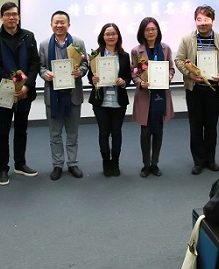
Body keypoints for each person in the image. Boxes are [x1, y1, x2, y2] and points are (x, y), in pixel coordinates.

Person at [175, 5, 219, 175]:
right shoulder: (187, 39)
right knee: (195, 126)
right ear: (195, 21)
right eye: (199, 19)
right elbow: (179, 60)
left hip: (214, 89)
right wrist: (190, 74)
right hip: (194, 89)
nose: (203, 23)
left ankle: (210, 159)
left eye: (206, 19)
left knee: (211, 126)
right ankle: (198, 161)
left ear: (212, 21)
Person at [0, 2, 40, 186]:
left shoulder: (28, 36)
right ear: (1, 17)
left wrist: (26, 86)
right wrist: (13, 86)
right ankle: (2, 168)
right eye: (8, 14)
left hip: (25, 92)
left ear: (19, 17)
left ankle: (20, 163)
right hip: (4, 91)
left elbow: (34, 63)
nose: (12, 17)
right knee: (2, 132)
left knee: (21, 129)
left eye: (14, 14)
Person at [39, 10, 88, 180]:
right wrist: (45, 74)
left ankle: (72, 163)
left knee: (72, 133)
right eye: (56, 22)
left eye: (62, 22)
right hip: (53, 95)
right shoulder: (44, 44)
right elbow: (41, 67)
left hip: (73, 94)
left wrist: (80, 72)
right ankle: (57, 164)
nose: (59, 25)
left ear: (69, 24)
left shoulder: (78, 43)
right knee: (55, 134)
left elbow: (85, 65)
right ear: (51, 25)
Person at [131, 17, 175, 178]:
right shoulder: (136, 51)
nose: (150, 32)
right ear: (142, 32)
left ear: (158, 31)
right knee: (145, 131)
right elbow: (133, 72)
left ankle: (155, 164)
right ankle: (146, 164)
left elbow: (171, 68)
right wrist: (140, 82)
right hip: (145, 95)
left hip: (160, 95)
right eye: (147, 30)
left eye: (153, 29)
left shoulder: (165, 48)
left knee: (158, 130)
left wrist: (169, 76)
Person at [88, 23, 132, 177]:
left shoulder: (124, 55)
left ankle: (115, 162)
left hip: (118, 100)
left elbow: (128, 76)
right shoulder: (95, 55)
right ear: (102, 36)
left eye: (113, 33)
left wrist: (123, 81)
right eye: (107, 34)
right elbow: (90, 75)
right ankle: (106, 162)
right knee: (104, 132)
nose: (111, 36)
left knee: (117, 132)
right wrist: (93, 79)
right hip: (101, 101)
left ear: (118, 36)